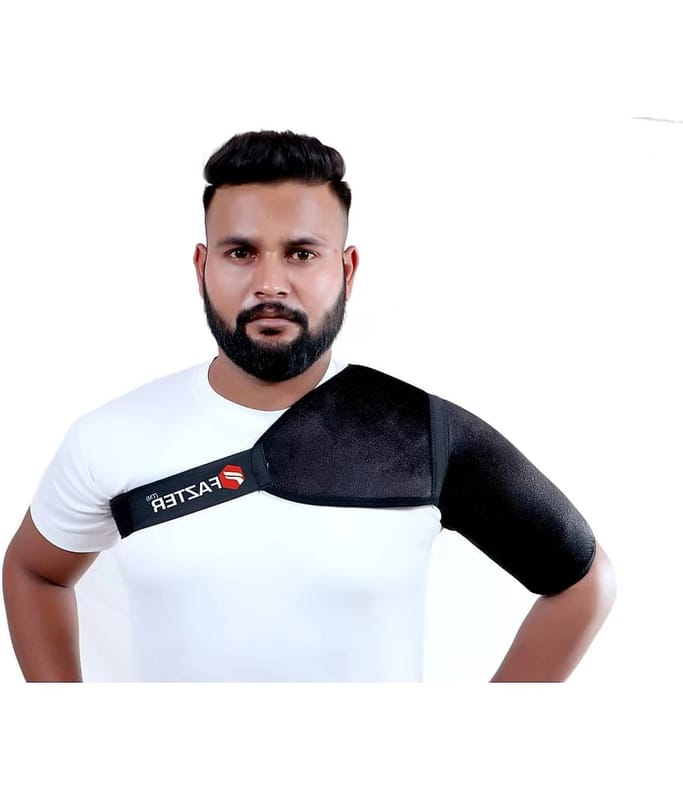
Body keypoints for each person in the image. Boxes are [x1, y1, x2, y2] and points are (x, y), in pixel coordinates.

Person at [2, 130, 616, 682]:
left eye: (301, 253)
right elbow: (34, 572)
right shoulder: (111, 437)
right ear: (202, 266)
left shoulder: (423, 433)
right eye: (241, 252)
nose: (270, 284)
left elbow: (583, 582)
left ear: (346, 269)